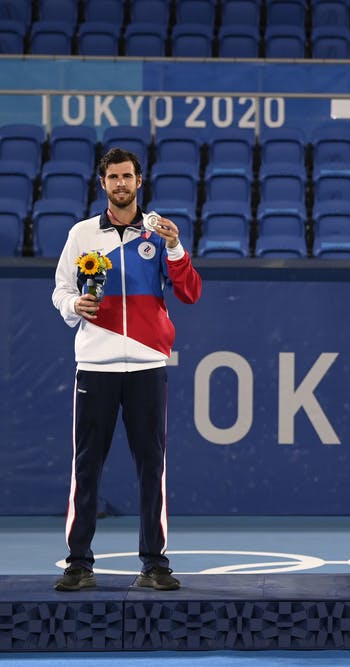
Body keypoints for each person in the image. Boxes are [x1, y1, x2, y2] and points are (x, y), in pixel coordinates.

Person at [51, 147, 203, 592]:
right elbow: (60, 289)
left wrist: (175, 247)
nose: (120, 184)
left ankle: (154, 563)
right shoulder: (81, 235)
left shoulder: (160, 234)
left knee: (151, 467)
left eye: (127, 177)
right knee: (86, 467)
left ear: (140, 181)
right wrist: (73, 306)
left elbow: (190, 293)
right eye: (113, 177)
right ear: (103, 184)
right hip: (94, 366)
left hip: (147, 365)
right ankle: (79, 563)